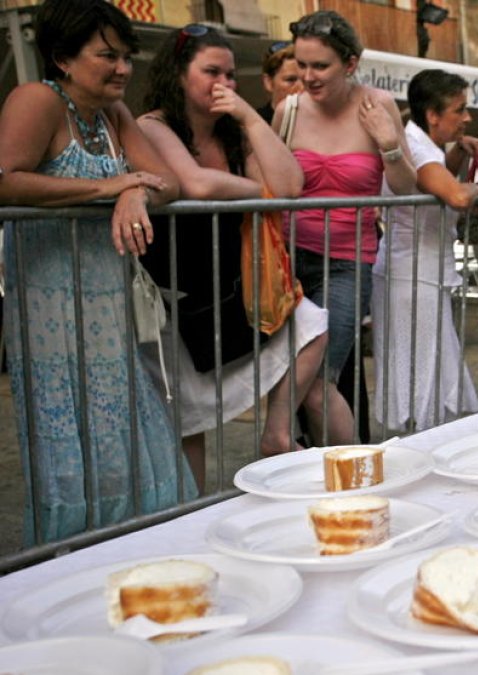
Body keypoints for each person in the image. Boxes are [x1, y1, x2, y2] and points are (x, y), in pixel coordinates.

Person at [0, 0, 191, 544]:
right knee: (71, 443)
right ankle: (76, 561)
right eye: (107, 55)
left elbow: (170, 183)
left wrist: (134, 188)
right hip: (50, 312)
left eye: (126, 56)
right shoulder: (36, 99)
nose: (123, 69)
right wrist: (111, 187)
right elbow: (6, 179)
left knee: (128, 438)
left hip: (107, 313)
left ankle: (134, 554)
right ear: (62, 57)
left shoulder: (114, 115)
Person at [137, 25, 352, 467]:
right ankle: (186, 515)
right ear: (180, 73)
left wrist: (251, 118)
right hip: (177, 290)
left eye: (232, 75)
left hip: (235, 284)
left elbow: (290, 184)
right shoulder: (152, 125)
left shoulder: (235, 131)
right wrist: (258, 189)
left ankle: (276, 432)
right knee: (188, 418)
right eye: (212, 71)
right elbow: (194, 184)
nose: (225, 84)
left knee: (311, 324)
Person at [282, 10, 418, 437]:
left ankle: (351, 478)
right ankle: (307, 467)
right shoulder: (288, 109)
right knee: (286, 377)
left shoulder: (378, 105)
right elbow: (269, 180)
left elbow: (406, 187)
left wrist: (389, 143)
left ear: (351, 64)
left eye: (320, 65)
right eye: (301, 65)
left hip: (346, 262)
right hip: (286, 262)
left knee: (320, 380)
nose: (308, 76)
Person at [372, 69, 478, 431]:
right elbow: (454, 194)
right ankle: (423, 442)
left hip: (418, 272)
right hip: (413, 276)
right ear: (433, 115)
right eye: (459, 109)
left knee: (429, 363)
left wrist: (457, 158)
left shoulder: (421, 145)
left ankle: (425, 439)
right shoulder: (416, 147)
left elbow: (435, 183)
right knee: (423, 365)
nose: (466, 118)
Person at [257, 41, 301, 122]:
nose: (302, 87)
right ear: (268, 82)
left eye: (304, 79)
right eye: (291, 80)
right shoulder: (255, 123)